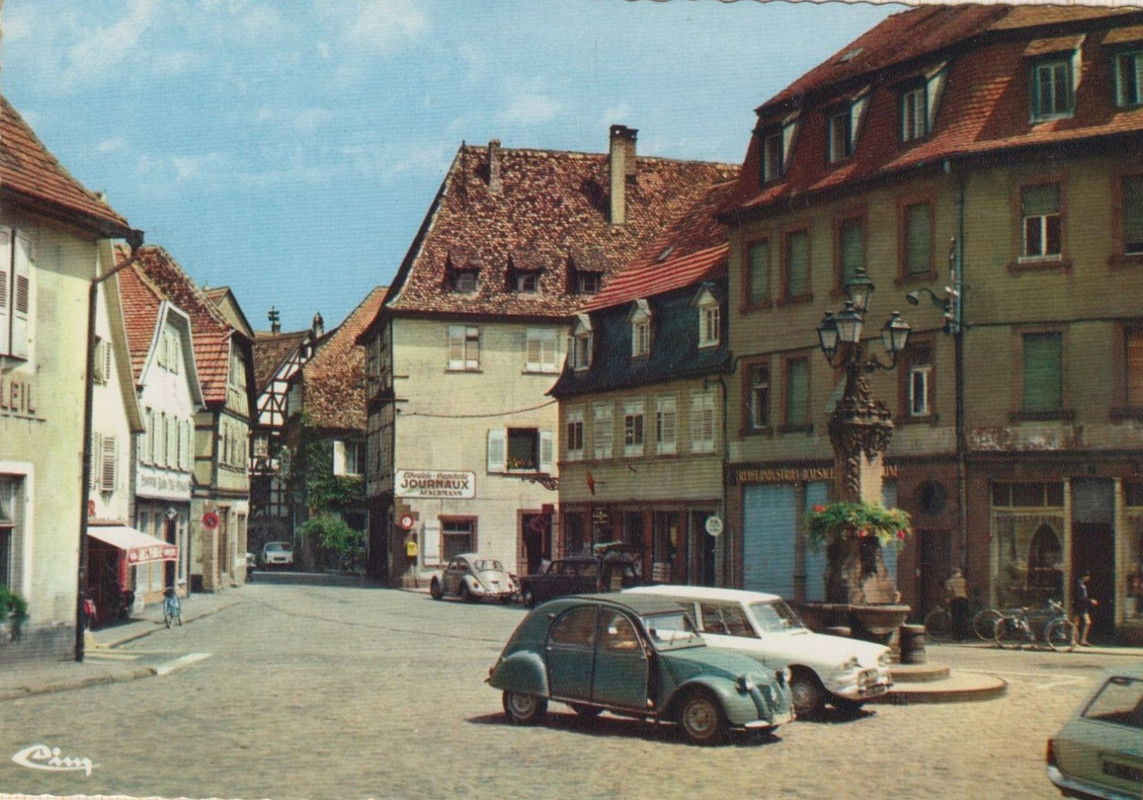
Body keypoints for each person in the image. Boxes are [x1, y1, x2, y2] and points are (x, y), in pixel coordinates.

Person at [1072, 572, 1098, 646]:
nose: (1088, 578)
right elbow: (1081, 597)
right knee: (1086, 622)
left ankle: (1074, 641)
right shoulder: (1080, 585)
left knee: (1076, 623)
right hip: (1081, 607)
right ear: (1084, 576)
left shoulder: (1079, 584)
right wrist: (1090, 600)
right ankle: (1081, 640)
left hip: (1079, 606)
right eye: (1087, 576)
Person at [945, 568, 969, 640]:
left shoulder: (949, 581)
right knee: (963, 618)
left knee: (956, 618)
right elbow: (966, 589)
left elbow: (950, 591)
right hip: (964, 599)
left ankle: (956, 636)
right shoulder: (963, 580)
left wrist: (948, 599)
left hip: (955, 600)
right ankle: (964, 637)